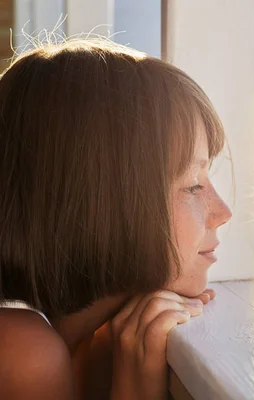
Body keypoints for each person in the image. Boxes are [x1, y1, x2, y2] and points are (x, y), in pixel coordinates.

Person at [0, 38, 232, 399]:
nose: (223, 213)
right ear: (101, 201)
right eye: (192, 185)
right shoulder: (18, 351)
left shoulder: (79, 343)